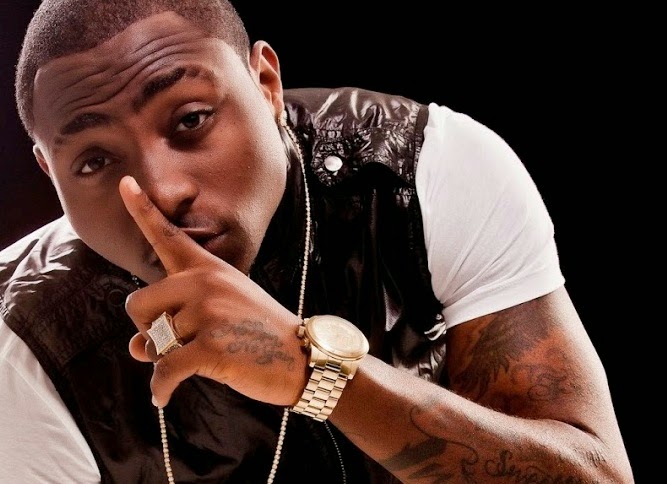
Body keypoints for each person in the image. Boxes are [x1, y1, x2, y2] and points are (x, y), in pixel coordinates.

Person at [0, 0, 634, 482]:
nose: (162, 191)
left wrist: (316, 373)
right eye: (94, 162)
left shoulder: (421, 170)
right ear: (49, 173)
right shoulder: (22, 338)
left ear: (266, 84)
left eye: (191, 120)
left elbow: (596, 475)